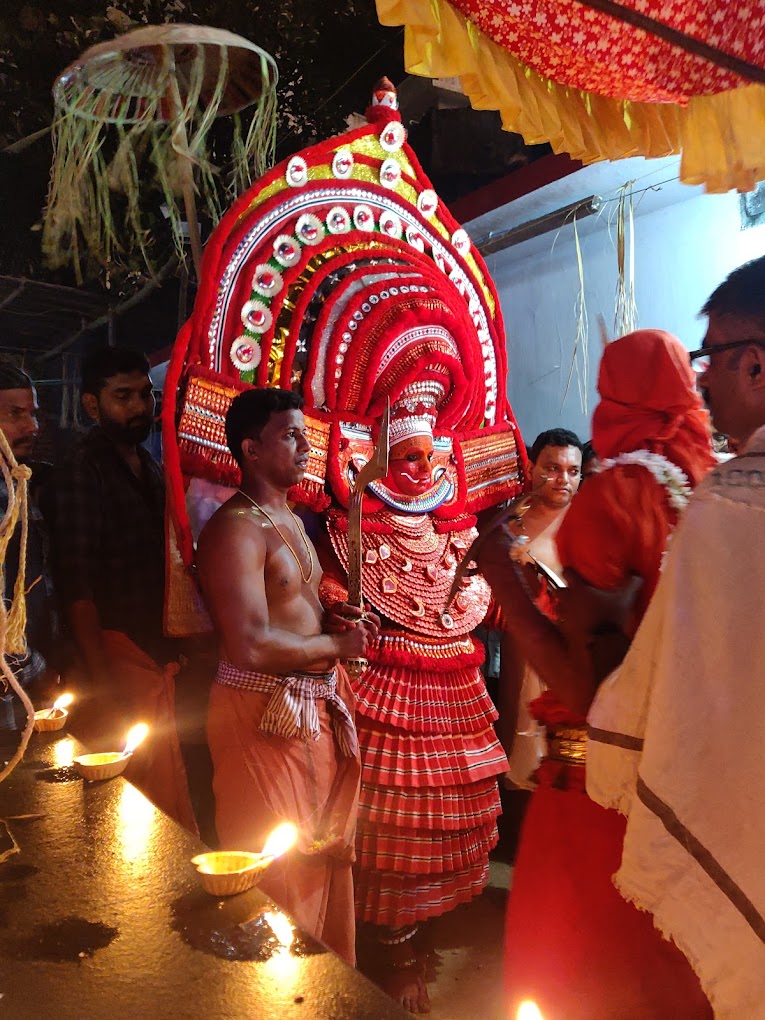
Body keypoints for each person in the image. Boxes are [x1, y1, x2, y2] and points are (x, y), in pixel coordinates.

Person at [478, 329, 716, 1019]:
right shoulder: (707, 486)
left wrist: (504, 582)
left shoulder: (617, 495)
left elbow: (586, 693)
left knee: (585, 970)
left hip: (598, 790)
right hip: (682, 780)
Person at [586, 257, 765, 1016]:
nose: (702, 384)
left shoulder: (729, 502)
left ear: (755, 362)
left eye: (713, 360)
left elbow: (653, 698)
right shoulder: (693, 473)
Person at [196, 388, 376, 965]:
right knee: (275, 864)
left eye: (306, 433)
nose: (306, 446)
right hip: (261, 717)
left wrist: (330, 618)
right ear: (251, 449)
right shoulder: (235, 530)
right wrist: (335, 643)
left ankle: (323, 987)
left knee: (321, 855)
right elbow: (248, 644)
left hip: (310, 710)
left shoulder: (291, 519)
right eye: (290, 435)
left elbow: (290, 610)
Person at [50, 346, 196, 831]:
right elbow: (76, 578)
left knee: (165, 780)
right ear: (92, 405)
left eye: (145, 395)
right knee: (135, 793)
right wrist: (100, 676)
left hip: (153, 650)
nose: (139, 407)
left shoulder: (148, 465)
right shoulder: (81, 468)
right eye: (123, 396)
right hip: (116, 652)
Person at [499, 429, 582, 789]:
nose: (563, 479)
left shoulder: (589, 522)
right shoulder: (507, 525)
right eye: (553, 468)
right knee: (521, 744)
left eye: (573, 471)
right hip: (523, 652)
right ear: (532, 468)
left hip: (577, 654)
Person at [0, 359, 58, 732]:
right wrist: (35, 667)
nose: (32, 427)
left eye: (33, 414)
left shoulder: (18, 482)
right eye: (15, 414)